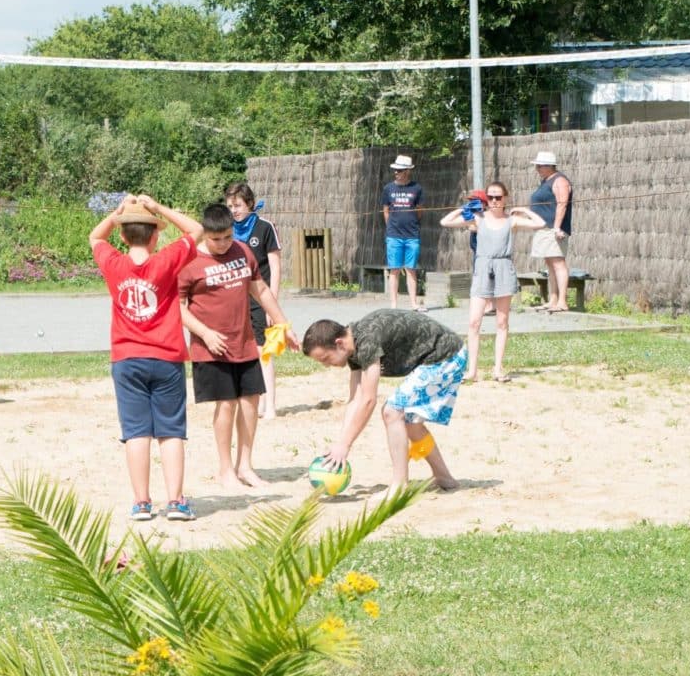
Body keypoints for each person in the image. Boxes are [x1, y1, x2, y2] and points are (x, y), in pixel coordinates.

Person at [90, 193, 207, 523]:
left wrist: (117, 214)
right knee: (171, 432)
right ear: (156, 235)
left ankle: (142, 502)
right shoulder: (166, 260)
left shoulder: (114, 263)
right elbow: (195, 230)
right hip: (166, 357)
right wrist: (158, 208)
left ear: (123, 236)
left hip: (126, 358)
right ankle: (175, 501)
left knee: (136, 432)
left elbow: (95, 237)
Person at [179, 202, 293, 490]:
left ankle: (246, 466)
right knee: (226, 405)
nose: (223, 244)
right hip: (212, 347)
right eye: (216, 239)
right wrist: (205, 333)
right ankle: (225, 469)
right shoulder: (189, 261)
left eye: (228, 236)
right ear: (205, 234)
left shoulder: (242, 252)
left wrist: (282, 325)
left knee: (250, 402)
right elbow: (178, 308)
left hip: (245, 342)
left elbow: (261, 290)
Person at [301, 311, 463, 491]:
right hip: (440, 357)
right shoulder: (353, 346)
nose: (325, 364)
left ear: (339, 343)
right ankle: (444, 477)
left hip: (446, 356)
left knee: (392, 411)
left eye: (325, 358)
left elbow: (369, 400)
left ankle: (399, 486)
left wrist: (345, 445)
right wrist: (340, 444)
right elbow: (355, 400)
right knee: (409, 422)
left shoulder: (367, 340)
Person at [441, 182, 548, 382]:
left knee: (502, 321)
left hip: (503, 268)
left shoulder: (512, 220)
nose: (494, 201)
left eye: (498, 197)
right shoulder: (478, 218)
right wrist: (463, 209)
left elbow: (540, 224)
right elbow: (445, 222)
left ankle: (498, 369)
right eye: (490, 197)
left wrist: (524, 210)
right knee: (474, 322)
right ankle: (472, 371)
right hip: (482, 268)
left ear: (505, 198)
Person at [223, 181, 282, 418]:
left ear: (249, 203)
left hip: (261, 299)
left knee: (263, 351)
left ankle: (271, 406)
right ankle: (254, 402)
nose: (234, 210)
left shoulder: (265, 227)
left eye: (238, 205)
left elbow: (276, 268)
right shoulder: (226, 230)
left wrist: (272, 306)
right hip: (236, 300)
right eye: (230, 206)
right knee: (244, 352)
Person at [529, 151, 576, 312]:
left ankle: (562, 301)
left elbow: (562, 204)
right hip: (544, 228)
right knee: (550, 264)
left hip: (553, 229)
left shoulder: (560, 180)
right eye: (537, 165)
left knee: (558, 263)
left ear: (550, 166)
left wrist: (556, 227)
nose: (537, 169)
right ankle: (553, 299)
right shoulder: (546, 181)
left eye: (540, 166)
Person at [381, 155, 426, 311]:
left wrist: (412, 223)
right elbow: (386, 210)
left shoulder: (417, 188)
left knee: (411, 269)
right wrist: (391, 228)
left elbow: (420, 211)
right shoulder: (388, 188)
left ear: (407, 171)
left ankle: (413, 304)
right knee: (394, 269)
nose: (396, 173)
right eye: (395, 170)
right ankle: (393, 305)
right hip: (394, 235)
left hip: (412, 235)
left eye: (399, 170)